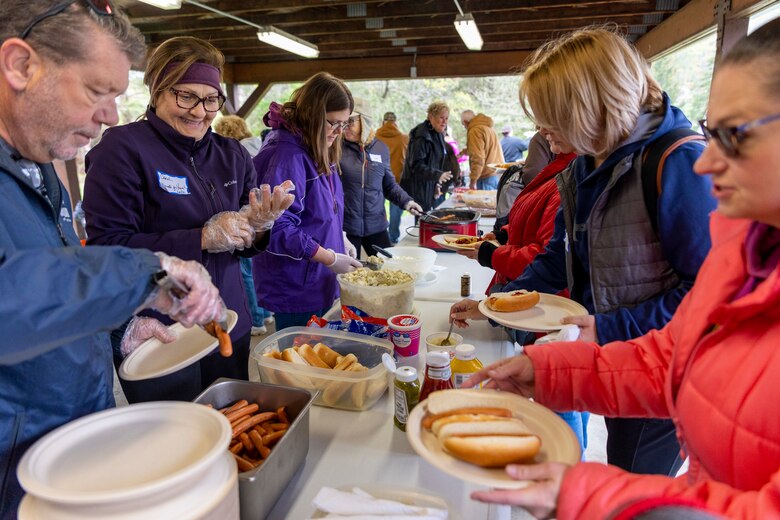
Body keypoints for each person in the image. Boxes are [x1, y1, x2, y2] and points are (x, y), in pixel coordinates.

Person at [462, 19, 780, 519]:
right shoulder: (750, 249)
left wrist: (597, 496)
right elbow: (674, 358)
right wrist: (549, 371)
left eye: (733, 135)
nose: (705, 161)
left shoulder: (673, 165)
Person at [450, 27, 716, 478]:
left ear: (594, 105)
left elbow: (710, 297)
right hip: (608, 360)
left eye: (552, 116)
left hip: (662, 373)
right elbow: (559, 258)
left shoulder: (679, 164)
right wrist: (494, 303)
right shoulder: (583, 166)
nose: (543, 130)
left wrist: (610, 327)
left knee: (634, 484)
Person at [0, 1, 225, 513]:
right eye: (97, 92)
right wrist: (145, 270)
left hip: (64, 446)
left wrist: (114, 329)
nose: (110, 116)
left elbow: (49, 289)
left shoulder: (37, 168)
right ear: (19, 65)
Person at [83, 37, 293, 402]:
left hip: (228, 319)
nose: (200, 111)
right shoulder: (121, 150)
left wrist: (259, 228)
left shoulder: (232, 154)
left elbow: (245, 249)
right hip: (160, 331)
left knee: (233, 425)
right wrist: (202, 237)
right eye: (186, 96)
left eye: (211, 99)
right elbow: (109, 248)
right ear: (157, 91)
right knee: (174, 439)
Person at [252, 72, 362, 331]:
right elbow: (275, 228)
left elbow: (323, 209)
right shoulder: (286, 155)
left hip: (319, 279)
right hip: (296, 286)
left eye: (344, 124)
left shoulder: (318, 144)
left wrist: (339, 237)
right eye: (333, 122)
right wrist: (328, 257)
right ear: (312, 113)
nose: (339, 131)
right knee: (300, 362)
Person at [213, 114, 275, 335]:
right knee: (256, 269)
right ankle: (266, 313)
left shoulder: (237, 153)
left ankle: (256, 319)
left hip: (244, 218)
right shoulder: (259, 145)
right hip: (261, 217)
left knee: (246, 274)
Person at [340, 101, 422, 256]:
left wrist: (407, 202)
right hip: (346, 228)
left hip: (376, 226)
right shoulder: (335, 149)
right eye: (343, 122)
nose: (345, 126)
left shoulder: (380, 148)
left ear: (365, 121)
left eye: (351, 121)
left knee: (388, 271)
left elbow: (389, 185)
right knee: (348, 276)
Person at [400, 101, 454, 212]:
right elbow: (416, 165)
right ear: (431, 117)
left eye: (447, 118)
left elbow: (435, 162)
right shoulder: (421, 135)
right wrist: (438, 175)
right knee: (421, 223)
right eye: (441, 117)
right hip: (418, 189)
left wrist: (436, 184)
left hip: (428, 187)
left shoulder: (437, 133)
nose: (445, 122)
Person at [375, 111, 409, 245]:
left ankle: (379, 235)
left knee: (378, 208)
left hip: (377, 179)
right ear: (395, 123)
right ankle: (393, 236)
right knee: (396, 208)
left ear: (383, 122)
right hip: (397, 179)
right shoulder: (403, 138)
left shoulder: (375, 137)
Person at [460, 109, 504, 190]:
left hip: (486, 177)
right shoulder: (488, 128)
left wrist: (473, 181)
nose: (465, 128)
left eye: (463, 125)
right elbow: (483, 149)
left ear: (466, 122)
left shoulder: (474, 131)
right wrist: (462, 153)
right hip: (497, 174)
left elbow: (478, 158)